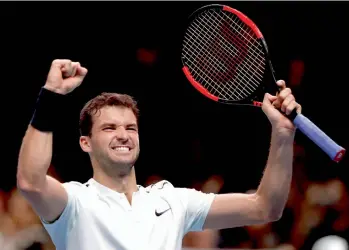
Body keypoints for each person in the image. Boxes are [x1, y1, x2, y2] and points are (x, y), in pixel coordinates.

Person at [16, 59, 302, 250]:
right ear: (85, 143)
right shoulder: (75, 203)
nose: (123, 134)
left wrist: (283, 134)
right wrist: (51, 94)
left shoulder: (172, 201)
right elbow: (31, 182)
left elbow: (265, 207)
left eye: (130, 127)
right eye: (109, 128)